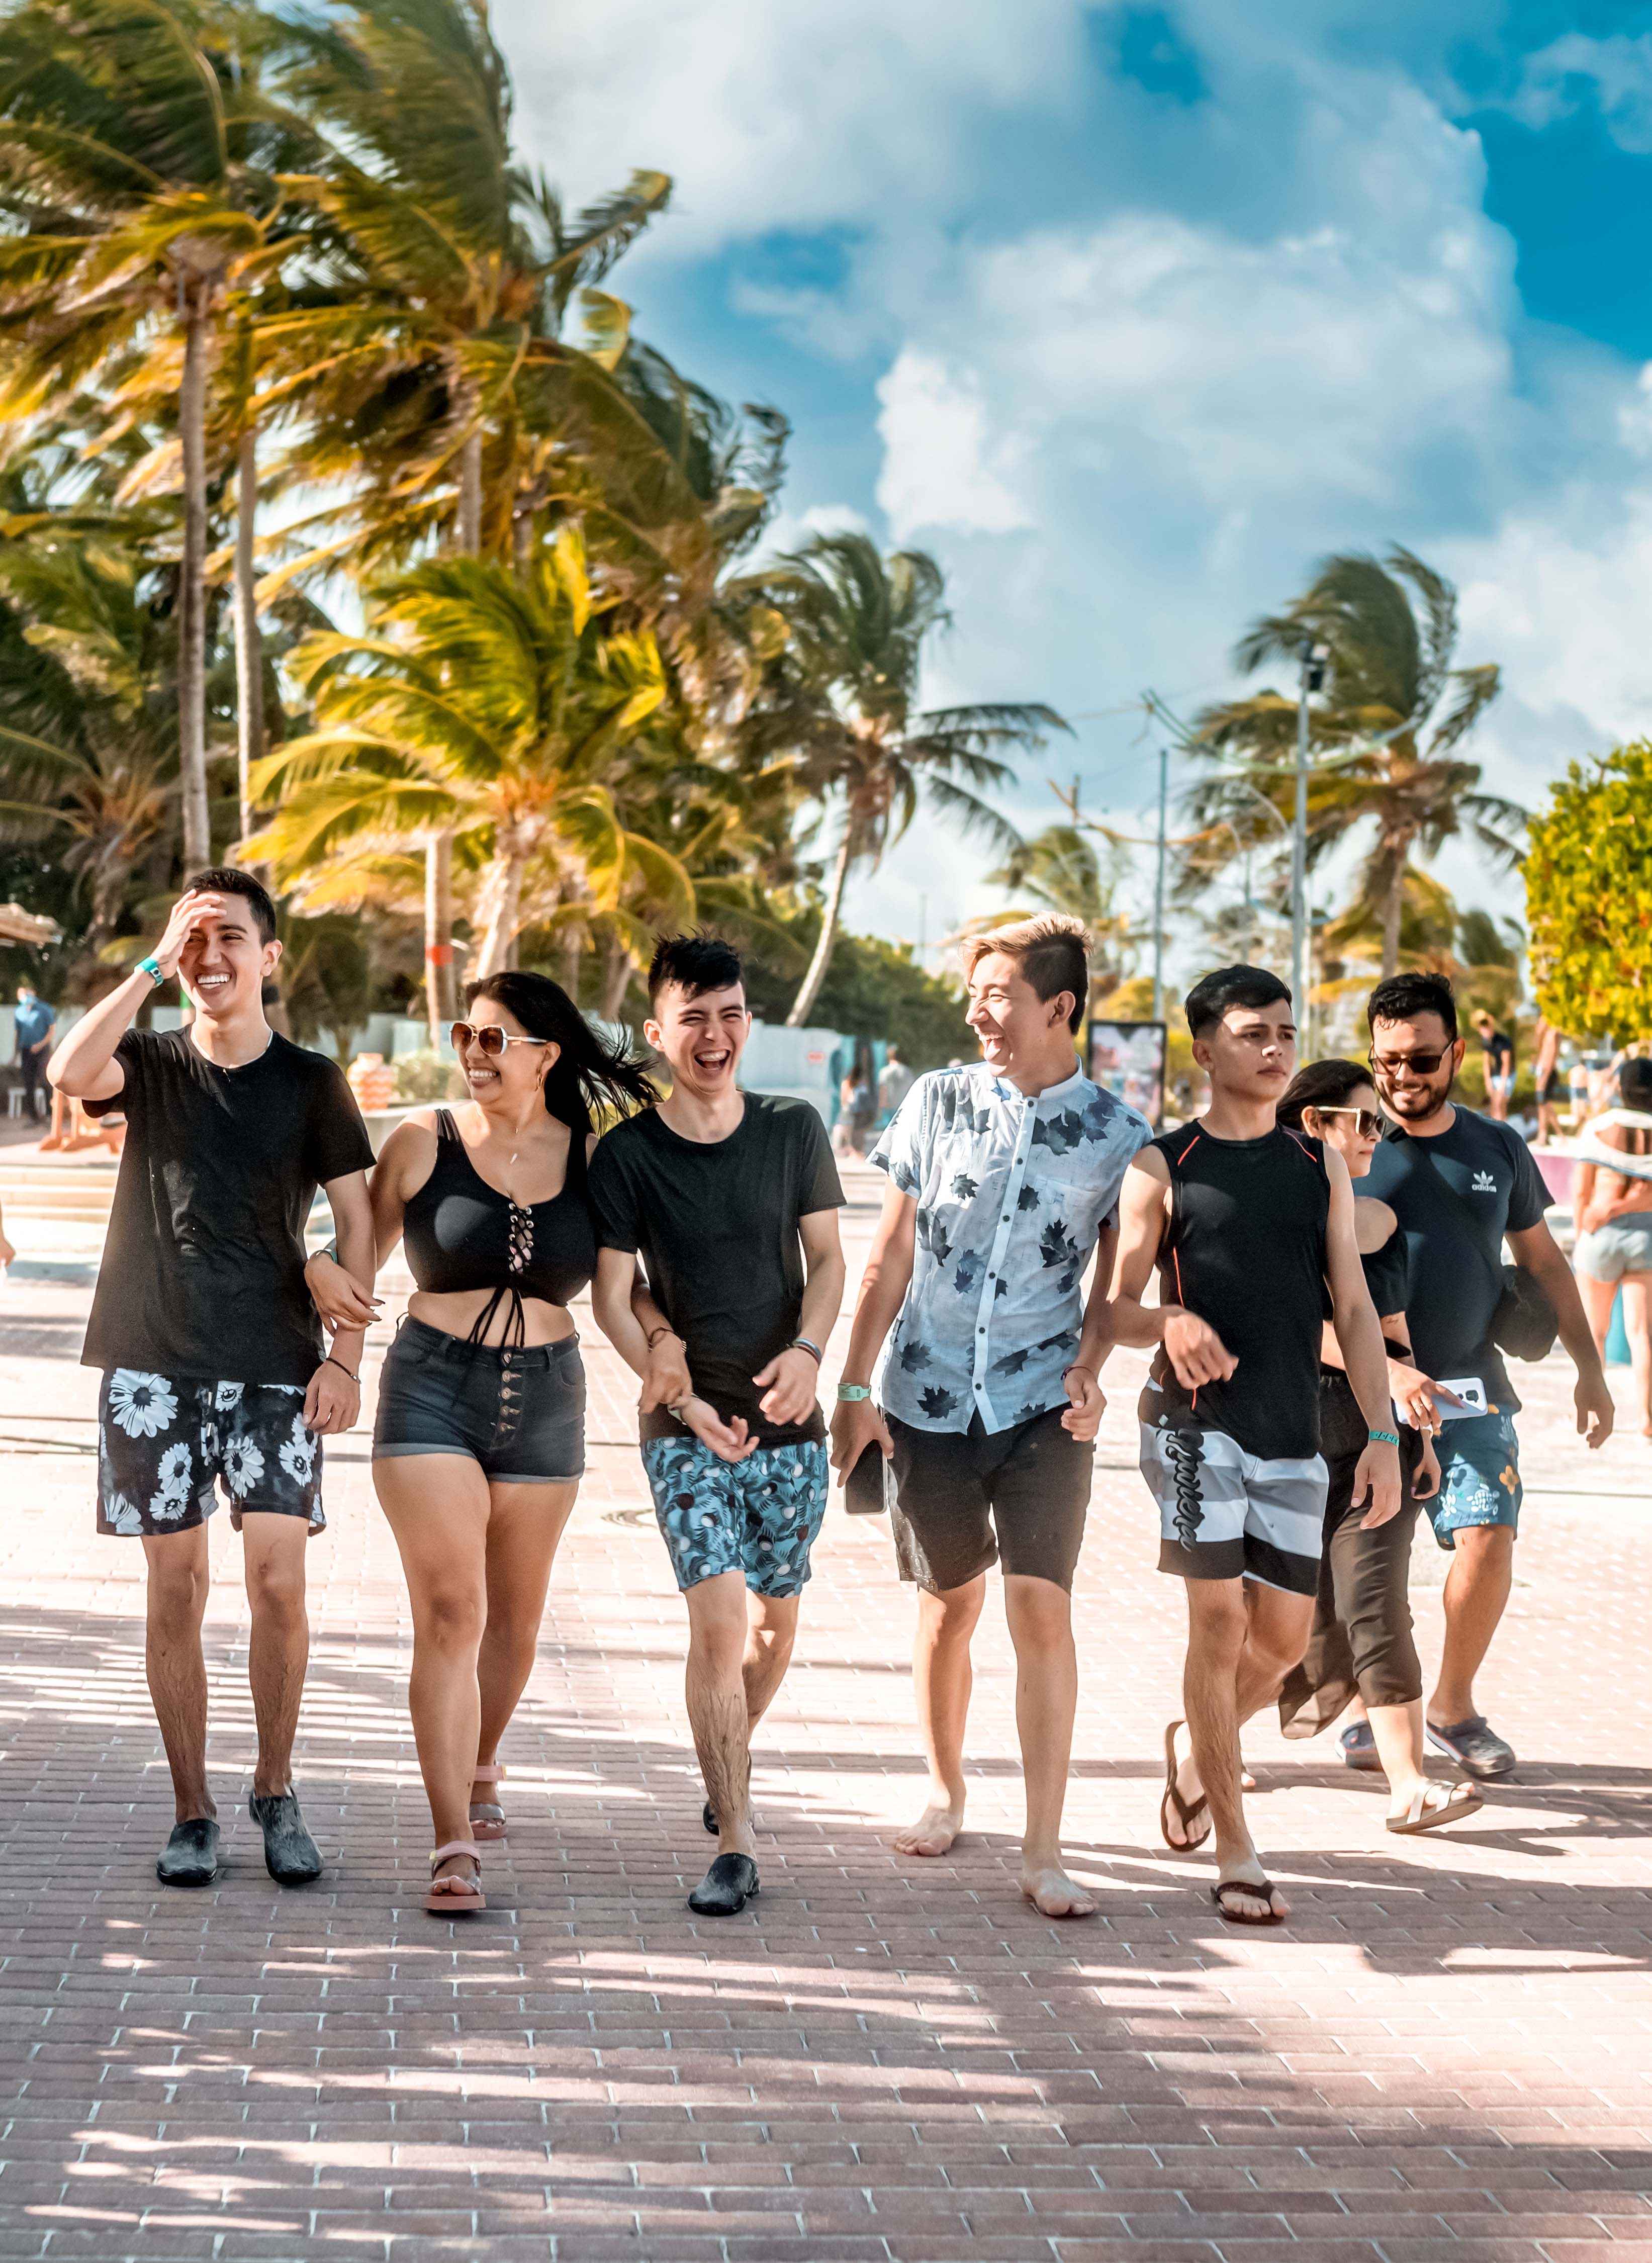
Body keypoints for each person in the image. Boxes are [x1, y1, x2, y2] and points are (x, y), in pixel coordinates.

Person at [47, 873, 375, 1889]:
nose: (212, 958)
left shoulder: (312, 1081)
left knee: (279, 1583)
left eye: (229, 937)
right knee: (173, 1592)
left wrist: (346, 1357)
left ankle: (274, 1789)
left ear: (270, 957)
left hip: (276, 1365)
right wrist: (152, 960)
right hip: (152, 1361)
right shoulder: (148, 1062)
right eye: (196, 944)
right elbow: (68, 1066)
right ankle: (192, 1809)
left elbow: (359, 1222)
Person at [305, 972, 657, 1915]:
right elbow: (358, 1251)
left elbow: (634, 1283)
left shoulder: (600, 1157)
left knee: (515, 1623)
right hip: (431, 1387)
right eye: (467, 1033)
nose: (474, 1051)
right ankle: (450, 1836)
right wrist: (331, 1332)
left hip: (549, 1394)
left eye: (497, 1037)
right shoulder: (424, 1139)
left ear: (547, 1053)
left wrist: (670, 1349)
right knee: (454, 1613)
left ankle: (484, 1755)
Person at [832, 915, 1150, 1920]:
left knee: (1038, 1609)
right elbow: (887, 1259)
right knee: (947, 1606)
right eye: (974, 992)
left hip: (1039, 1408)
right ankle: (944, 1787)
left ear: (1057, 1006)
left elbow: (1117, 1282)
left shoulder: (1116, 1134)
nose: (979, 1012)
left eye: (998, 993)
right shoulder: (935, 1100)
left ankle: (1043, 1848)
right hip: (924, 1398)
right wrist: (849, 1390)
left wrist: (1093, 1369)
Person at [1105, 966, 1401, 1927]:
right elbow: (1110, 1306)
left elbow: (1352, 1310)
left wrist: (1383, 1433)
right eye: (1251, 1033)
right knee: (1219, 1625)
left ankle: (1195, 1756)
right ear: (1204, 1049)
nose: (1274, 1049)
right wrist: (1167, 1324)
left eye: (1285, 1032)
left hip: (1294, 1434)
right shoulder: (1164, 1164)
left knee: (1280, 1646)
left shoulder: (1320, 1167)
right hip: (1192, 1428)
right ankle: (1236, 1848)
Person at [589, 935, 847, 1919]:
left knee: (774, 1629)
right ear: (656, 1033)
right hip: (684, 1429)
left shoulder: (793, 1128)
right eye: (691, 1016)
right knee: (718, 1624)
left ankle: (722, 1759)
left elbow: (826, 1260)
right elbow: (616, 1298)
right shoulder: (627, 1155)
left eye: (730, 1013)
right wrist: (675, 1389)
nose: (713, 1033)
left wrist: (811, 1353)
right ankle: (734, 1837)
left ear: (750, 1023)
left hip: (791, 1422)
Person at [1364, 971, 1613, 1780]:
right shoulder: (1346, 1143)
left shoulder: (1496, 1147)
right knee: (1370, 1561)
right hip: (1362, 1392)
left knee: (1488, 1534)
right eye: (1386, 1062)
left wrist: (1590, 1371)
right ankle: (1381, 1704)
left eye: (1421, 1060)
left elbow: (1543, 1263)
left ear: (1457, 1053)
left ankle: (1452, 1707)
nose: (1403, 1078)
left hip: (1471, 1390)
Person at [1270, 1060, 1481, 1834]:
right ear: (1313, 1123)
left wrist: (1413, 1435)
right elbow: (1291, 1329)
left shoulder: (1379, 1226)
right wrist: (1386, 1372)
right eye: (1359, 1120)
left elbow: (1390, 1335)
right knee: (1280, 1625)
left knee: (1374, 1604)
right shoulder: (1263, 1219)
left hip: (1371, 1442)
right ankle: (1202, 1744)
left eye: (1375, 1123)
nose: (1376, 1134)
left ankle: (1409, 1785)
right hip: (1280, 1439)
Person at [1572, 1055, 1652, 1440]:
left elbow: (1582, 1192)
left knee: (1595, 1333)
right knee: (1642, 1333)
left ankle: (1591, 1413)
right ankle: (1648, 1416)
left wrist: (1582, 1235)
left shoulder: (1600, 1127)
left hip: (1601, 1238)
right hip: (1647, 1238)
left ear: (1621, 1086)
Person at [12, 980, 55, 1125]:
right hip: (26, 1051)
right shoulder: (19, 1012)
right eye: (23, 994)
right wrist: (15, 1053)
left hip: (42, 1050)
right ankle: (33, 1117)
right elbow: (18, 1034)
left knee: (44, 1080)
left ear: (33, 994)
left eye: (27, 994)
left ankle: (50, 1114)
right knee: (28, 1084)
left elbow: (51, 1031)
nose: (25, 997)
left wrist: (40, 1044)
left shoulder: (44, 1009)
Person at [1472, 1011, 1516, 1122]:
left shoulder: (1503, 1041)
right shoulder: (1486, 1042)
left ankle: (1501, 1128)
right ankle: (1498, 1127)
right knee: (1495, 1104)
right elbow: (1486, 1062)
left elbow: (1506, 1064)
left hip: (1507, 1075)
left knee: (1501, 1103)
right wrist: (1488, 1081)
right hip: (1495, 1075)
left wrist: (1503, 1084)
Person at [1533, 1017, 1562, 1147]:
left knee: (1545, 1104)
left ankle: (1545, 1135)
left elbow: (1552, 1056)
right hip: (1543, 1071)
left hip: (1548, 1072)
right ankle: (1547, 1134)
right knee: (1543, 1105)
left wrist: (1545, 1077)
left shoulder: (1554, 1033)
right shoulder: (1545, 1035)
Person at [878, 1045, 914, 1125]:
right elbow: (912, 1089)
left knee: (888, 1133)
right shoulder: (907, 1071)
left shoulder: (884, 1072)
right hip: (904, 1106)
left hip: (888, 1106)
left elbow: (883, 1090)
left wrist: (881, 1107)